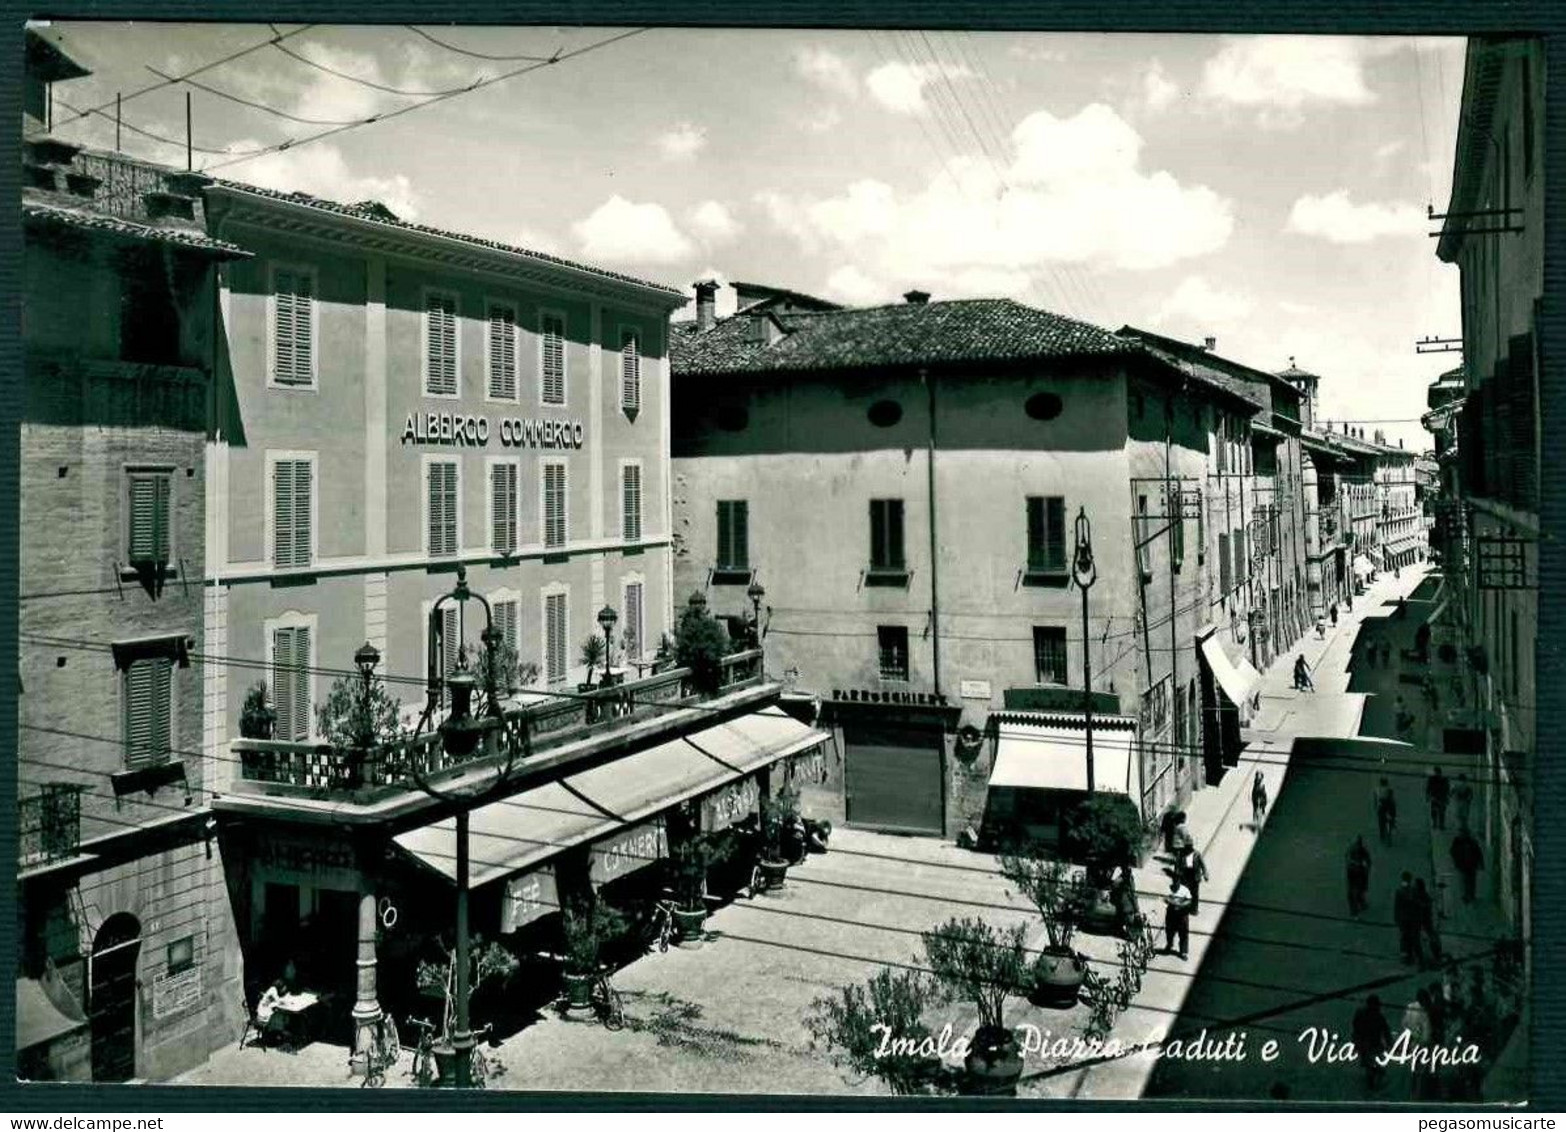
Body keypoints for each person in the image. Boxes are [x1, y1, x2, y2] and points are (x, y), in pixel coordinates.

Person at [1352, 995, 1393, 1091]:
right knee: (1370, 1064)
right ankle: (1374, 1078)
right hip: (1370, 1044)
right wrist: (1389, 1043)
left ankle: (1373, 1079)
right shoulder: (1378, 1016)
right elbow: (1386, 1031)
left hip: (1366, 1044)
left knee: (1369, 1064)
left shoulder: (1362, 1014)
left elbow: (1355, 1027)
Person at [1402, 989, 1434, 1100]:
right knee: (1421, 1070)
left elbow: (1405, 1023)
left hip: (1413, 1042)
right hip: (1421, 1045)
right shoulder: (1424, 1012)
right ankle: (1418, 1093)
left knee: (1415, 1069)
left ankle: (1413, 1091)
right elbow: (1426, 1033)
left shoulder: (1410, 1007)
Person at [1393, 872, 1422, 965]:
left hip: (1403, 919)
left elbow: (1397, 907)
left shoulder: (1399, 891)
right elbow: (1417, 905)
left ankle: (1406, 956)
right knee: (1412, 937)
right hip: (1412, 918)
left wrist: (1397, 918)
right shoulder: (1414, 890)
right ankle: (1413, 955)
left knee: (1404, 937)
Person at [1162, 875, 1192, 960]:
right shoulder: (1169, 888)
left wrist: (1181, 904)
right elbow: (1165, 898)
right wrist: (1170, 901)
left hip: (1182, 915)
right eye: (1174, 881)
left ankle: (1183, 952)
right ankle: (1169, 945)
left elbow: (1189, 900)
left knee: (1183, 933)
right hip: (1171, 914)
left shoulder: (1184, 890)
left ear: (1179, 881)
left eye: (1177, 881)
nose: (1176, 883)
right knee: (1169, 931)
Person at [1451, 829, 1484, 902]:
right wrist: (1456, 861)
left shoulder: (1472, 842)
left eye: (1463, 834)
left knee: (1471, 880)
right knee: (1465, 880)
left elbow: (1478, 852)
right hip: (1463, 864)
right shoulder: (1457, 841)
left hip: (1471, 864)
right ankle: (1466, 895)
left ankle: (1471, 895)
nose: (1462, 835)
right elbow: (1453, 851)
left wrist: (1481, 863)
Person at [255, 978, 290, 1048]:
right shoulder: (273, 991)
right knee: (280, 1016)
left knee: (277, 1014)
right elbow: (278, 1001)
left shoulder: (272, 989)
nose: (284, 990)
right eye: (284, 988)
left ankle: (276, 1034)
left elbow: (274, 1002)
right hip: (263, 1017)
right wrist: (285, 1002)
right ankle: (278, 1034)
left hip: (261, 1014)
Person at [1414, 878, 1442, 965]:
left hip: (1425, 922)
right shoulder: (1419, 896)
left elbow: (1426, 908)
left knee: (1428, 939)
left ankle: (1432, 957)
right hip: (1422, 922)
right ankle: (1427, 957)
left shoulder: (1423, 897)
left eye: (1416, 886)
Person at [1346, 836, 1372, 916]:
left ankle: (1359, 902)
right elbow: (1368, 860)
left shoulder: (1355, 849)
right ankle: (1357, 905)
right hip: (1355, 870)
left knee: (1357, 887)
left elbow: (1368, 860)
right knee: (1356, 887)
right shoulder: (1357, 849)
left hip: (1356, 870)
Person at [1181, 847, 1210, 915]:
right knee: (1185, 893)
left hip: (1195, 876)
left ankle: (1194, 909)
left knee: (1195, 894)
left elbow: (1203, 865)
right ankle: (1185, 908)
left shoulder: (1197, 854)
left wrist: (1205, 874)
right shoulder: (1182, 854)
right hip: (1186, 876)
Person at [1427, 766, 1451, 831]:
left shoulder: (1443, 779)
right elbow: (1428, 788)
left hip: (1440, 797)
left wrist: (1447, 797)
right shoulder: (1432, 779)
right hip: (1437, 797)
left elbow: (1447, 788)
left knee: (1440, 812)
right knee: (1436, 812)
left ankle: (1440, 825)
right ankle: (1437, 824)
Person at [1375, 777, 1398, 844]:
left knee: (1381, 822)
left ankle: (1382, 834)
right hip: (1388, 806)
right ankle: (1392, 824)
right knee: (1391, 817)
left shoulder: (1377, 790)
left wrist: (1376, 808)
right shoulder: (1390, 790)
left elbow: (1376, 801)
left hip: (1381, 807)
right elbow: (1392, 800)